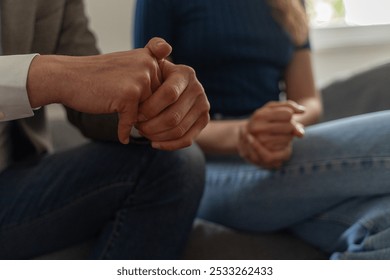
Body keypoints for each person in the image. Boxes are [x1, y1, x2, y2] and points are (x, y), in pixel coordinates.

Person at [134, 0, 390, 259]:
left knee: (384, 222)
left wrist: (283, 125)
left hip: (278, 156)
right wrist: (243, 134)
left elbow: (308, 100)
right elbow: (154, 116)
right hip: (204, 168)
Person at [0, 0, 210, 259]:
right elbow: (69, 74)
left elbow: (87, 87)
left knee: (174, 164)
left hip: (13, 183)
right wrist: (50, 76)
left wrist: (150, 102)